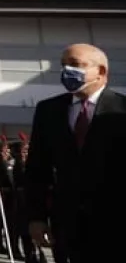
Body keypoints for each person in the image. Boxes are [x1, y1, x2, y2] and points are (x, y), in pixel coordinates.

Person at [23, 43, 126, 262]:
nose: (67, 71)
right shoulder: (48, 111)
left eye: (76, 64)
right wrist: (36, 217)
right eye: (64, 65)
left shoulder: (121, 110)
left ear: (101, 71)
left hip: (116, 224)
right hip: (68, 226)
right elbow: (37, 169)